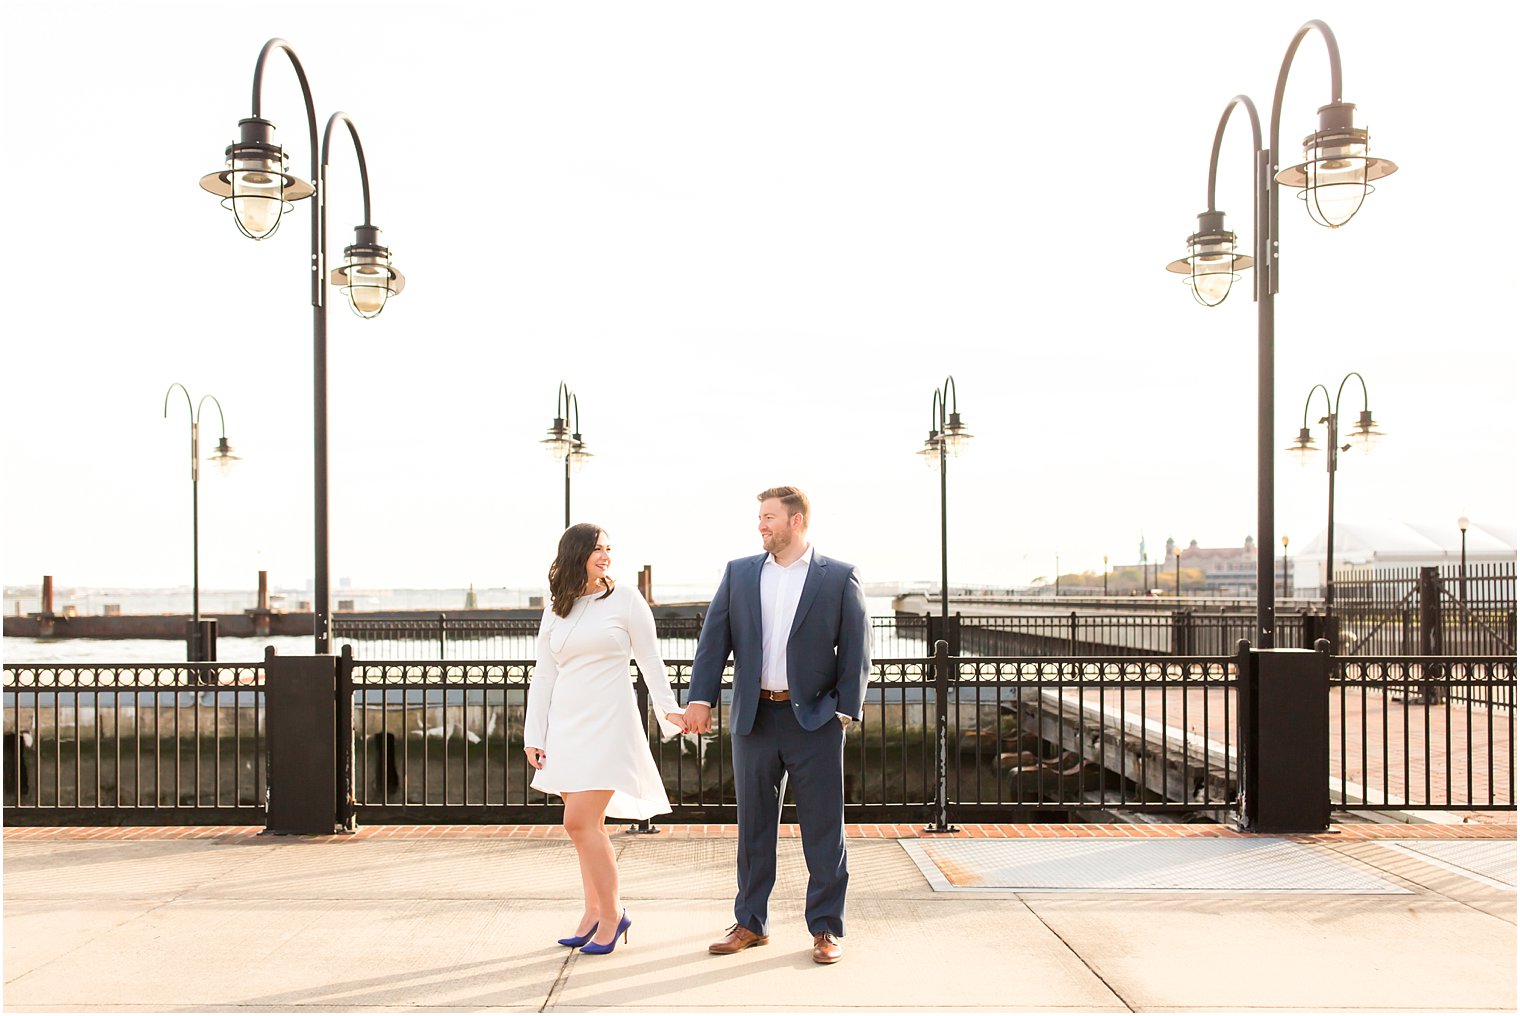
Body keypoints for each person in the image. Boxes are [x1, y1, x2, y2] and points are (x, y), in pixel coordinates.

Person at [683, 486, 870, 965]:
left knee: (824, 829)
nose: (761, 525)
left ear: (796, 521)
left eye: (769, 517)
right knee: (754, 829)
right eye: (760, 517)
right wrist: (700, 699)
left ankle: (826, 929)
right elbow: (713, 643)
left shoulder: (839, 577)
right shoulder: (740, 574)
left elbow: (856, 651)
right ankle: (751, 923)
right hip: (754, 718)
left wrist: (844, 711)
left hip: (815, 721)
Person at [523, 523, 687, 956]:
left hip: (609, 725)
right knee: (586, 829)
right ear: (575, 553)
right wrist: (533, 733)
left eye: (609, 549)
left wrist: (668, 711)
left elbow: (650, 659)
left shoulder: (626, 599)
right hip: (566, 728)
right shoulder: (557, 607)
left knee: (577, 822)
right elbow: (545, 674)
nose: (606, 556)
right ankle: (592, 911)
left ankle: (612, 915)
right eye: (597, 549)